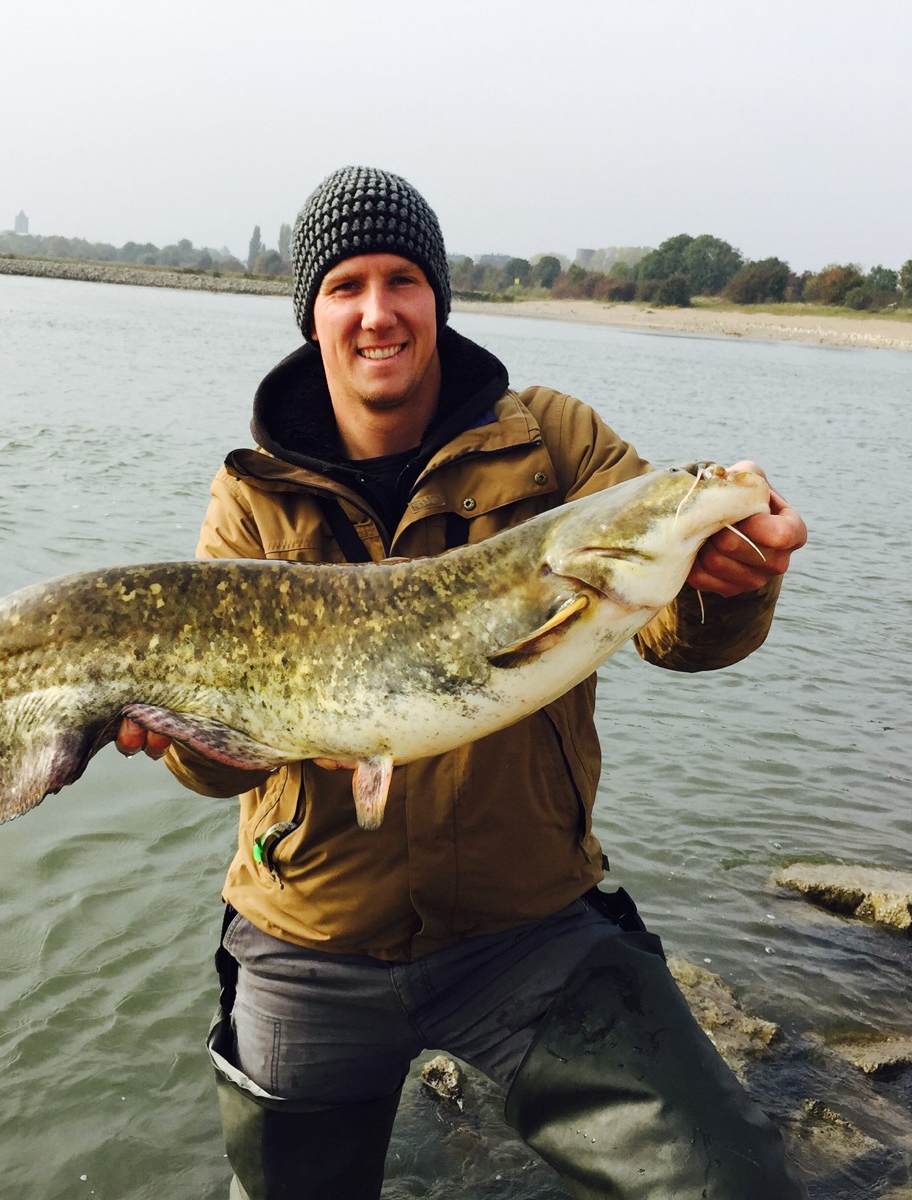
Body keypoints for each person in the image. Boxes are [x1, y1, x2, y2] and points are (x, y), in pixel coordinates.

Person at [116, 166, 809, 1199]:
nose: (377, 311)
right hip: (309, 938)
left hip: (531, 931)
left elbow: (676, 636)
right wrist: (188, 741)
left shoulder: (557, 441)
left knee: (737, 1186)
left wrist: (734, 582)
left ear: (439, 296)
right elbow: (221, 773)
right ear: (312, 315)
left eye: (403, 279)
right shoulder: (251, 497)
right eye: (347, 285)